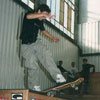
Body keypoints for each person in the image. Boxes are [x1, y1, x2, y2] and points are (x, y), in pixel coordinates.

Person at [20, 4, 66, 91]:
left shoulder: (40, 21)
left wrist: (52, 38)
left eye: (45, 16)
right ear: (39, 11)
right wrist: (43, 15)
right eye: (43, 15)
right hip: (26, 45)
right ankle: (34, 86)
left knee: (46, 53)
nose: (44, 18)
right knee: (32, 64)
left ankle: (57, 76)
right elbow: (29, 16)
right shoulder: (30, 14)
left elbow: (43, 31)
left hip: (36, 42)